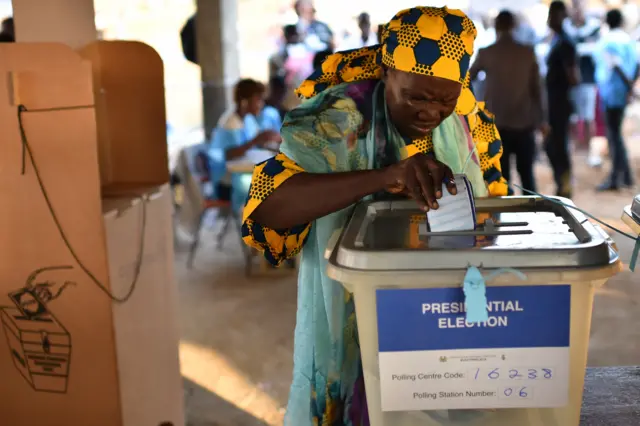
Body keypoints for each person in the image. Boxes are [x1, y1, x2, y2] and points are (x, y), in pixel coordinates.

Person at [241, 7, 507, 425]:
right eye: (415, 96)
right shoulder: (338, 119)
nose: (430, 113)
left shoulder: (466, 122)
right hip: (349, 318)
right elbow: (269, 207)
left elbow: (491, 209)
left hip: (437, 313)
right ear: (386, 72)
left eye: (444, 98)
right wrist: (386, 176)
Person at [470, 10, 544, 193]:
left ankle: (502, 217)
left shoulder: (486, 53)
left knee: (500, 177)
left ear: (496, 26)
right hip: (524, 122)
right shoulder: (528, 53)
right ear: (514, 26)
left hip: (495, 123)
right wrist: (542, 119)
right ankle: (533, 215)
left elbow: (467, 78)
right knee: (527, 175)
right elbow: (538, 90)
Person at [209, 79, 281, 203]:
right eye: (258, 99)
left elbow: (254, 143)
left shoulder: (247, 119)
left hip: (242, 172)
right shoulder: (230, 122)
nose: (261, 104)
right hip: (227, 181)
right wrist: (256, 140)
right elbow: (229, 154)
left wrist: (271, 141)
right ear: (245, 101)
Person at [594, 9, 638, 191]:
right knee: (616, 134)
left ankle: (616, 177)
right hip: (621, 92)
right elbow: (637, 65)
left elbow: (617, 66)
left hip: (612, 93)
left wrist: (628, 86)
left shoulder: (609, 41)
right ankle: (626, 175)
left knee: (614, 136)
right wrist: (631, 87)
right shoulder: (627, 40)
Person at [545, 1, 579, 198]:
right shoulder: (557, 40)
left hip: (560, 101)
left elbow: (573, 76)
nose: (550, 19)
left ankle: (564, 185)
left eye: (554, 15)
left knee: (557, 144)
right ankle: (562, 183)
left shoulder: (565, 42)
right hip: (554, 100)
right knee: (552, 144)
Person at [564, 5, 601, 159]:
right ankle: (576, 146)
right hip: (572, 83)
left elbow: (595, 51)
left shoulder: (593, 29)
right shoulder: (567, 29)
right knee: (572, 117)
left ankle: (587, 146)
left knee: (588, 116)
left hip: (587, 80)